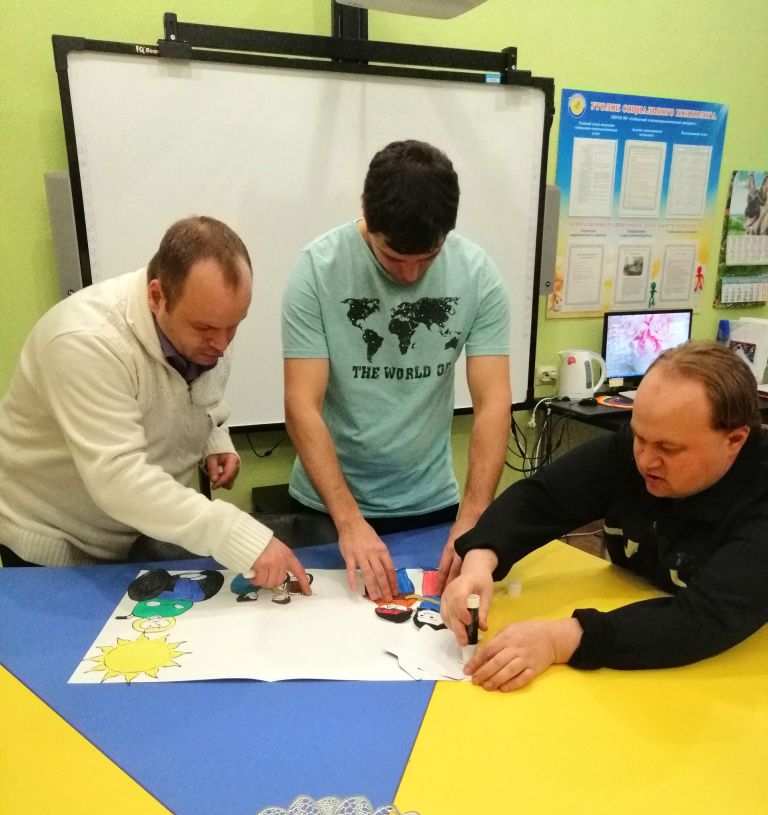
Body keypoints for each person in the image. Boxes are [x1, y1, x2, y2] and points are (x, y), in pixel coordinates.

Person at [0, 215, 310, 593]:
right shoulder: (83, 342)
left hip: (139, 536)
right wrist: (237, 534)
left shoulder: (205, 320)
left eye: (234, 325)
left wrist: (212, 436)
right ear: (156, 296)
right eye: (206, 328)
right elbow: (120, 480)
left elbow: (194, 391)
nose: (222, 343)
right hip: (59, 549)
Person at [441, 342, 768, 692]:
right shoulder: (635, 450)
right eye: (640, 437)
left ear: (735, 440)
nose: (645, 460)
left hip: (727, 683)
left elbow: (703, 618)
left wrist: (561, 639)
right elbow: (543, 498)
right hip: (632, 654)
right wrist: (480, 560)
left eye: (668, 449)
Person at [282, 139, 511, 601]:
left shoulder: (477, 274)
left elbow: (493, 403)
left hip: (431, 507)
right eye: (393, 259)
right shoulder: (317, 269)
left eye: (427, 259)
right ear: (366, 212)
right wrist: (349, 520)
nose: (409, 276)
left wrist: (473, 517)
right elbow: (300, 405)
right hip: (327, 510)